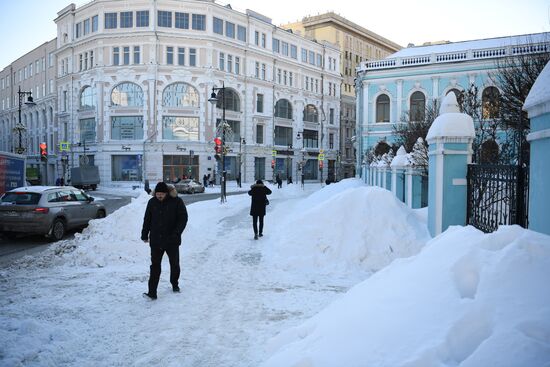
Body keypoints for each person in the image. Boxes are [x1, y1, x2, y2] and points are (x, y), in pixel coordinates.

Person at [141, 182, 188, 300]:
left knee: (174, 264)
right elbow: (147, 219)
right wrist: (144, 234)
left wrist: (176, 233)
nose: (159, 196)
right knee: (155, 266)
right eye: (157, 194)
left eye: (162, 194)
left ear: (166, 193)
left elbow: (183, 219)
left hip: (172, 240)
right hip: (156, 240)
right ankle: (152, 292)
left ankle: (175, 284)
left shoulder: (176, 201)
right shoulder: (152, 202)